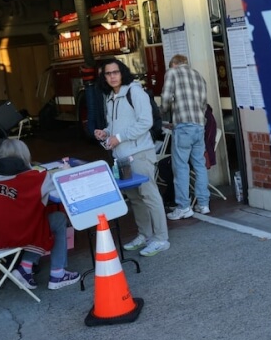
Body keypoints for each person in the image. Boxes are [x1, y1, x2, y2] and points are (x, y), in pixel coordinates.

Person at [0, 139, 79, 290]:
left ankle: (25, 267)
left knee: (35, 219)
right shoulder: (33, 178)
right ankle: (58, 273)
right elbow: (60, 181)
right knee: (57, 219)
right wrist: (65, 170)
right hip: (10, 236)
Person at [93, 57, 170, 257]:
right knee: (135, 198)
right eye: (108, 73)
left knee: (149, 195)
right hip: (122, 158)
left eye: (115, 72)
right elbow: (117, 125)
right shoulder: (110, 96)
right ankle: (145, 235)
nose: (112, 76)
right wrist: (105, 132)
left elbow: (145, 122)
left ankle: (161, 238)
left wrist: (118, 137)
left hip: (140, 153)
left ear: (123, 72)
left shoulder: (135, 92)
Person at [160, 54, 209, 219]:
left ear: (173, 64)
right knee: (199, 165)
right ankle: (203, 204)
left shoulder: (172, 73)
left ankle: (183, 207)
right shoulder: (199, 76)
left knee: (180, 167)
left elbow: (166, 99)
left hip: (183, 126)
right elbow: (203, 103)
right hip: (199, 125)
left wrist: (163, 112)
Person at [158, 104, 217, 208]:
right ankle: (203, 203)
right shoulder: (204, 114)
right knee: (199, 167)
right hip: (203, 151)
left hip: (197, 150)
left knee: (176, 167)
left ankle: (183, 204)